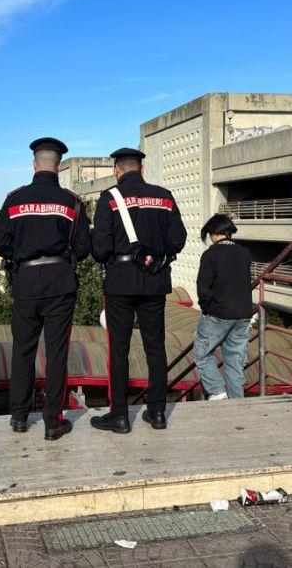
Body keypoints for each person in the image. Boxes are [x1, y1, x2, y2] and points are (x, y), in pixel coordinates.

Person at [0, 137, 91, 441]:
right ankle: (52, 422)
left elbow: (1, 244)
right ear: (58, 166)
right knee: (57, 353)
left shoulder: (14, 199)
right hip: (60, 282)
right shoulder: (72, 202)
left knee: (23, 351)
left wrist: (24, 251)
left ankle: (19, 418)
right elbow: (84, 247)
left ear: (35, 164)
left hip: (25, 283)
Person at [90, 147, 187, 433]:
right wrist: (155, 255)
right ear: (142, 169)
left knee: (118, 350)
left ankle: (119, 416)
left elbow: (99, 249)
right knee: (155, 347)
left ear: (117, 170)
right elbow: (177, 240)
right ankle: (157, 412)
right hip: (155, 280)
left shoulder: (110, 198)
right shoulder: (164, 196)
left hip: (120, 282)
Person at [192, 213, 253, 401]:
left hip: (218, 313)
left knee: (201, 354)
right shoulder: (244, 253)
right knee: (234, 362)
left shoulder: (211, 254)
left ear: (214, 233)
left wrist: (206, 308)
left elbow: (203, 289)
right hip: (243, 314)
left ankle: (217, 392)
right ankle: (237, 402)